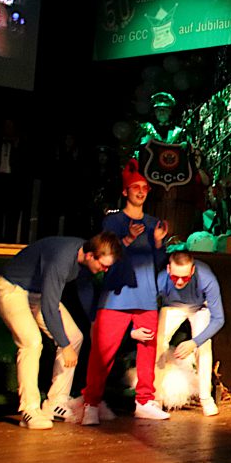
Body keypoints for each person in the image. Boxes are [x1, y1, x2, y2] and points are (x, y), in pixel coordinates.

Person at [0, 233, 122, 429]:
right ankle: (29, 410)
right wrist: (64, 345)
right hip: (12, 289)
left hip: (36, 294)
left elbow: (84, 288)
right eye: (103, 265)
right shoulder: (61, 259)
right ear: (90, 256)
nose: (105, 270)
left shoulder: (85, 259)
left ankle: (56, 402)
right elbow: (49, 306)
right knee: (31, 342)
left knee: (74, 337)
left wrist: (93, 320)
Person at [79, 159, 171, 423]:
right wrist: (128, 239)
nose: (141, 192)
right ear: (125, 191)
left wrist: (158, 243)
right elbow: (108, 254)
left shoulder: (153, 223)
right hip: (116, 295)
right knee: (103, 352)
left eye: (144, 188)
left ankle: (144, 401)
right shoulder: (113, 221)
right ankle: (91, 404)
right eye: (135, 187)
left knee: (148, 350)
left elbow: (158, 262)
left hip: (146, 295)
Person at [154, 250, 226, 416]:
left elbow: (218, 319)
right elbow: (148, 305)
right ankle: (156, 398)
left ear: (192, 270)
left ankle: (205, 397)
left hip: (199, 307)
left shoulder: (206, 278)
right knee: (158, 342)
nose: (180, 281)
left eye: (185, 277)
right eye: (175, 277)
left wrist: (194, 342)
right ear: (168, 269)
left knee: (204, 345)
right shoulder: (161, 279)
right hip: (172, 306)